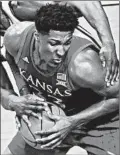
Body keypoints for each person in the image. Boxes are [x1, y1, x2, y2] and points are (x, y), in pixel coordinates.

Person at [2, 3, 119, 155]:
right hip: (52, 116)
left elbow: (117, 96)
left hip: (100, 121)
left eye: (67, 43)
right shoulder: (15, 39)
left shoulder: (84, 65)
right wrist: (24, 93)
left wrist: (72, 122)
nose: (61, 51)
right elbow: (11, 57)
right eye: (54, 43)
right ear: (37, 37)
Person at [6, 0, 119, 86]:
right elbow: (10, 56)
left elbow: (86, 2)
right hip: (39, 56)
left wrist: (108, 43)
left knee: (101, 81)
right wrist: (22, 92)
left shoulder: (25, 5)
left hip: (69, 50)